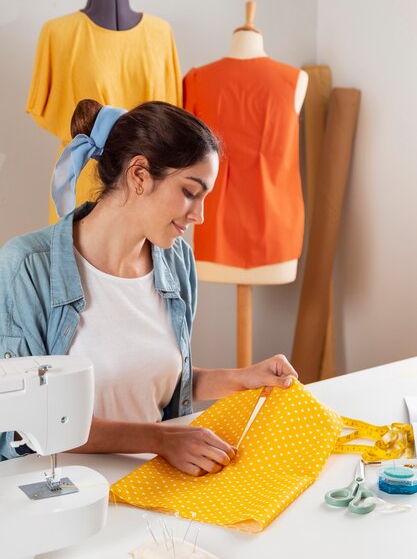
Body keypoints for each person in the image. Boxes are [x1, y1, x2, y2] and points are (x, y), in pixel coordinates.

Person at [0, 100, 298, 475]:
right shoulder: (26, 268)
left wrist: (241, 378)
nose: (199, 216)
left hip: (156, 484)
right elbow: (31, 423)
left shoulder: (176, 264)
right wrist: (159, 440)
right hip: (65, 498)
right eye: (191, 192)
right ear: (139, 174)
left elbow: (153, 381)